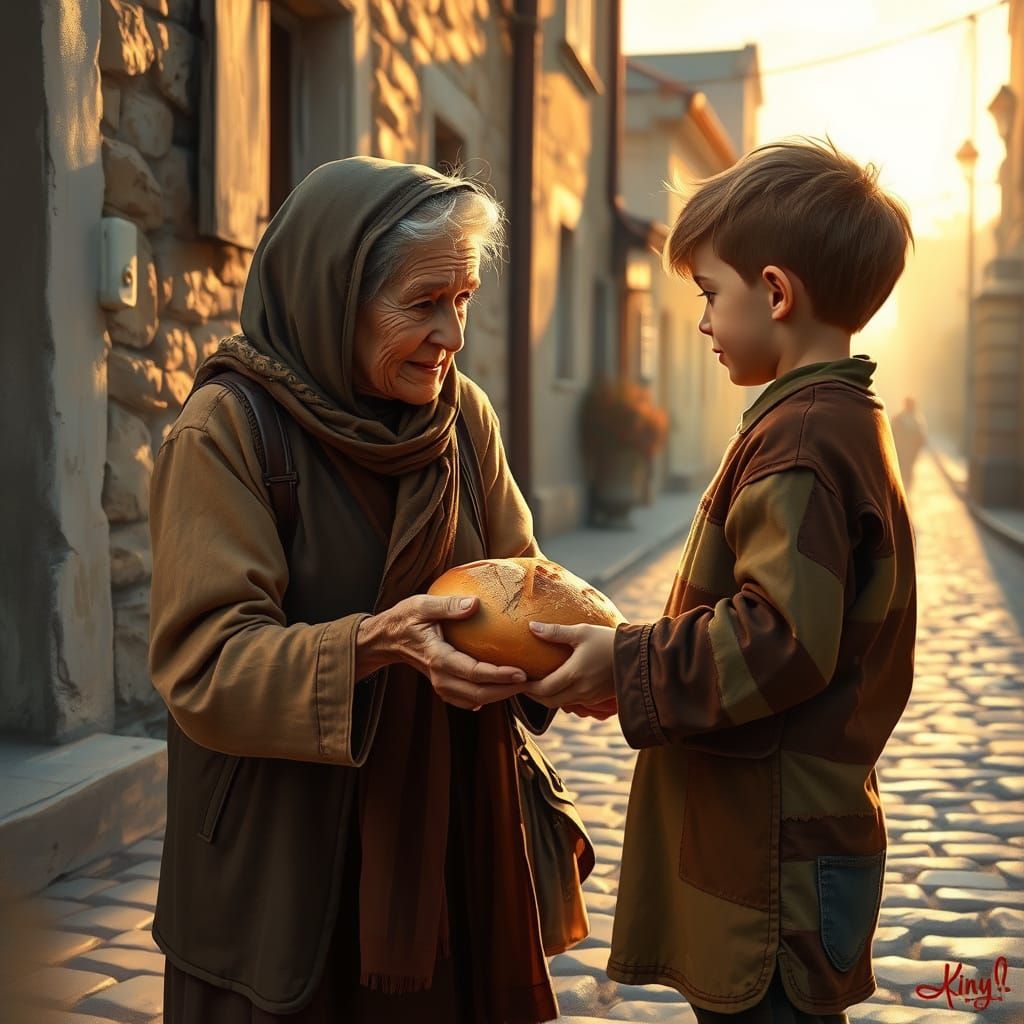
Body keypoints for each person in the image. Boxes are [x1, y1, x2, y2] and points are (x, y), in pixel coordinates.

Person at [148, 157, 564, 1023]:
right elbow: (204, 663)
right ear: (335, 296)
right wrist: (378, 644)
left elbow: (526, 585)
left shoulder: (463, 418)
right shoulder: (228, 430)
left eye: (464, 301)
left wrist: (576, 660)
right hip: (286, 864)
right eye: (421, 304)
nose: (451, 335)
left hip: (446, 848)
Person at [521, 140, 917, 1022]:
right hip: (789, 849)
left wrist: (626, 665)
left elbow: (778, 636)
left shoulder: (804, 441)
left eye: (709, 295)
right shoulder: (833, 419)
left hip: (771, 868)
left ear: (775, 293)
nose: (700, 322)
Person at [890, 395, 927, 492]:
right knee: (902, 471)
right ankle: (901, 491)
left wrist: (917, 448)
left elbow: (921, 437)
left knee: (908, 471)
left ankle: (906, 491)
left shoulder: (917, 419)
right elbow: (891, 434)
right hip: (900, 450)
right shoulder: (898, 418)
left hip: (910, 451)